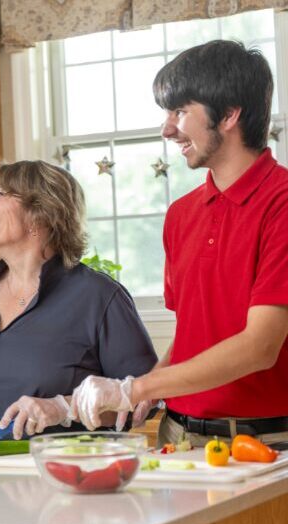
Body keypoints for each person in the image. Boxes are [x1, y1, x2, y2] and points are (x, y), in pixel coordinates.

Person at [70, 40, 288, 447]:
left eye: (180, 111)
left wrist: (133, 388)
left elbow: (261, 346)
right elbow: (192, 334)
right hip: (178, 434)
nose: (167, 129)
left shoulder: (282, 203)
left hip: (267, 442)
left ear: (228, 115)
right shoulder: (181, 214)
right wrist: (146, 389)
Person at [0, 160, 157, 445]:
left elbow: (142, 400)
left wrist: (63, 409)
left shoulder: (99, 296)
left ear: (40, 214)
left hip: (61, 477)